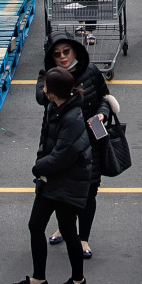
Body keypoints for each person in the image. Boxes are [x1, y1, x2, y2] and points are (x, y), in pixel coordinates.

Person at [14, 67, 93, 284]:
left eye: (46, 85)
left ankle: (78, 280)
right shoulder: (54, 106)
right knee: (36, 225)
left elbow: (62, 156)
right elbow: (46, 140)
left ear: (54, 92)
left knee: (68, 231)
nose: (44, 89)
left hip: (67, 183)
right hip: (51, 179)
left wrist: (38, 167)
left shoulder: (72, 117)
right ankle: (39, 279)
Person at [34, 35, 110, 262]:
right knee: (59, 190)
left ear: (75, 51)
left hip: (90, 139)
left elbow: (105, 97)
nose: (63, 57)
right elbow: (41, 97)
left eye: (66, 52)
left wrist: (102, 113)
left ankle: (83, 237)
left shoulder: (91, 71)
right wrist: (58, 81)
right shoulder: (48, 76)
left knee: (89, 190)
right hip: (60, 143)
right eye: (57, 54)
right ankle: (65, 229)